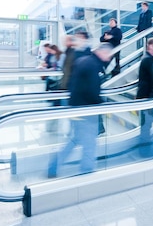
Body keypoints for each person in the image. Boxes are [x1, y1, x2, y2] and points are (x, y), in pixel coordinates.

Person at [48, 43, 113, 178]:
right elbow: (92, 91)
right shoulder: (93, 66)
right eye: (108, 54)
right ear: (101, 52)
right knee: (90, 143)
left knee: (75, 139)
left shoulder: (84, 60)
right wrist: (102, 105)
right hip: (87, 111)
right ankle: (87, 171)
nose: (109, 57)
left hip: (76, 107)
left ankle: (54, 165)